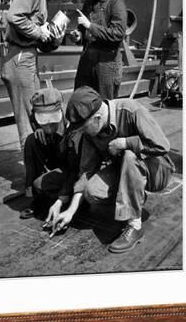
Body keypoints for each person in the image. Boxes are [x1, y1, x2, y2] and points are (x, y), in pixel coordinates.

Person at [51, 86, 175, 253]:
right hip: (125, 170)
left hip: (157, 170)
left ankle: (135, 225)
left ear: (97, 117)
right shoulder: (91, 133)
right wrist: (70, 211)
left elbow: (162, 145)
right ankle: (134, 196)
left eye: (83, 127)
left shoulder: (131, 110)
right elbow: (86, 171)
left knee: (130, 156)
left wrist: (125, 143)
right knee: (92, 191)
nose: (82, 132)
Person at [1, 0, 78, 150]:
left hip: (27, 56)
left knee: (35, 111)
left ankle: (35, 163)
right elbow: (14, 16)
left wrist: (53, 34)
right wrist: (39, 32)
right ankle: (32, 170)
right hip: (19, 56)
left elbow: (29, 25)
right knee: (28, 118)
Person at [19, 86, 79, 218]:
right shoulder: (39, 126)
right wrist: (38, 129)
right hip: (56, 165)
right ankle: (36, 197)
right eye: (43, 121)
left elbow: (75, 169)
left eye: (52, 121)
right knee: (31, 141)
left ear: (60, 112)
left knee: (44, 184)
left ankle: (69, 201)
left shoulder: (72, 129)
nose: (48, 125)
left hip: (73, 171)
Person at [73, 0, 127, 99]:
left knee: (104, 107)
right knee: (81, 100)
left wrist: (90, 26)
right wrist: (78, 36)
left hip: (107, 65)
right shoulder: (88, 3)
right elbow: (84, 31)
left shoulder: (116, 2)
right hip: (87, 62)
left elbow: (118, 34)